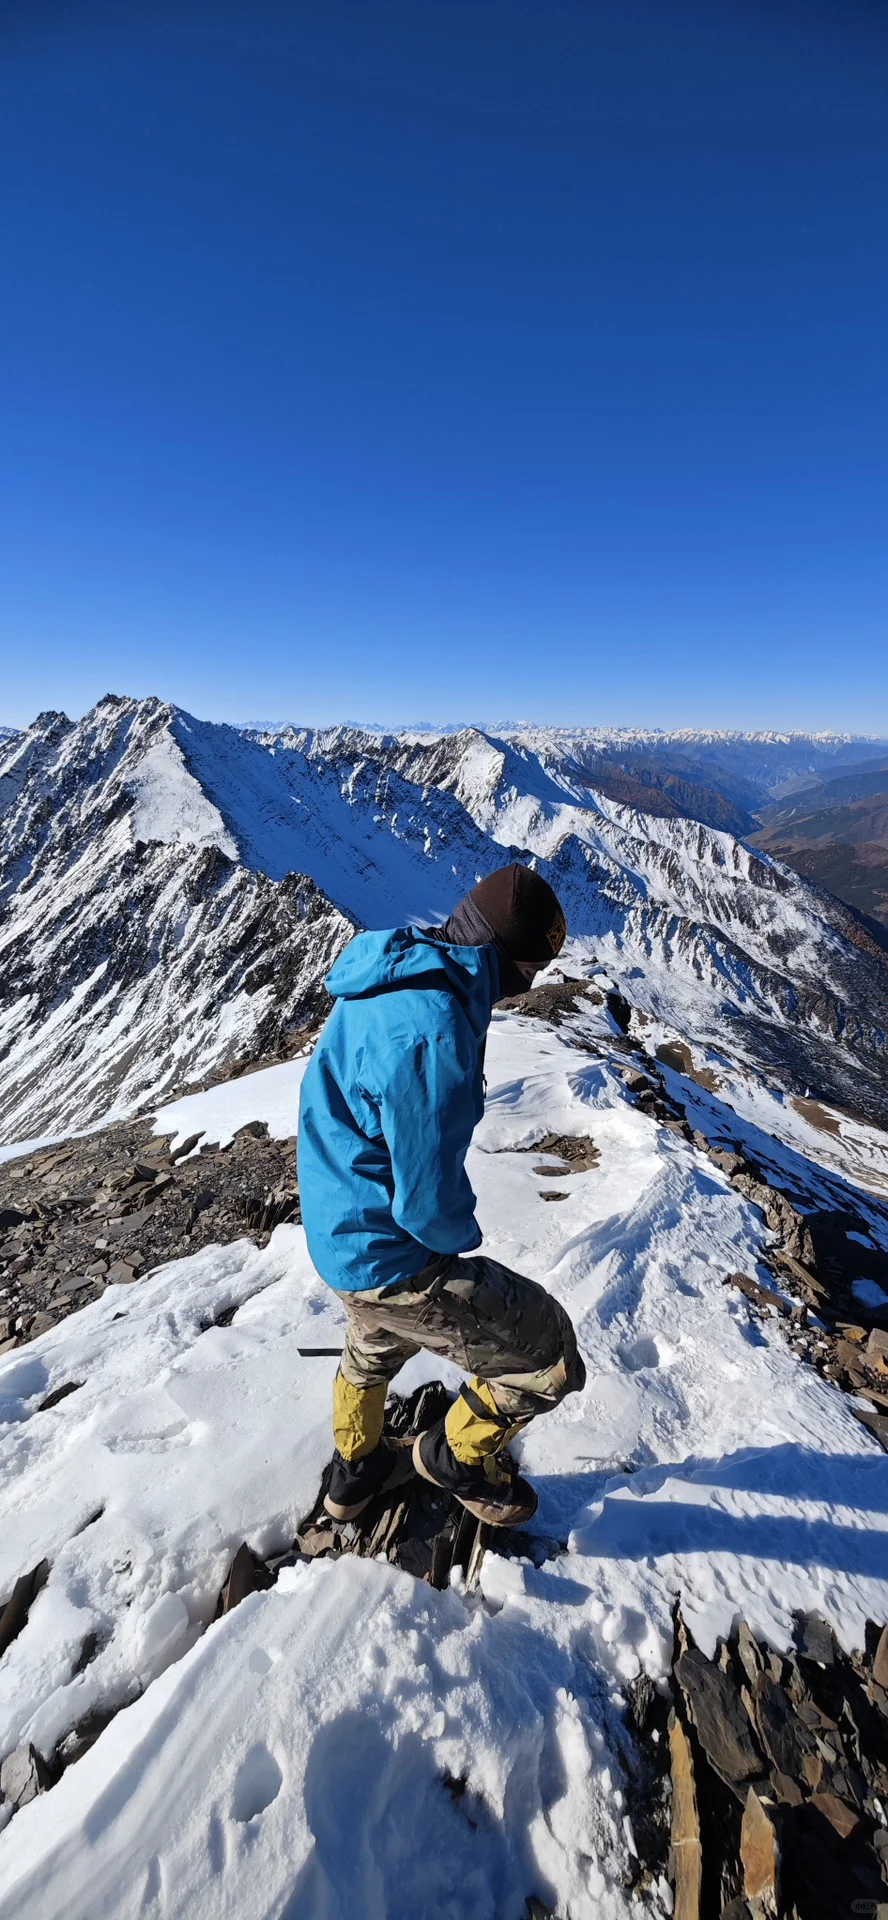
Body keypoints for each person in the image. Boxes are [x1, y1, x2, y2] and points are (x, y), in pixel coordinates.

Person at [297, 863, 585, 1529]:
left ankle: (354, 1471)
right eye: (532, 969)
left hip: (341, 1229)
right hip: (394, 1255)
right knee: (549, 1358)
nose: (531, 985)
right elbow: (427, 1205)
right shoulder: (437, 1035)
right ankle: (455, 1458)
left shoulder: (395, 969)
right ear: (505, 959)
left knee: (371, 1345)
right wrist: (463, 1251)